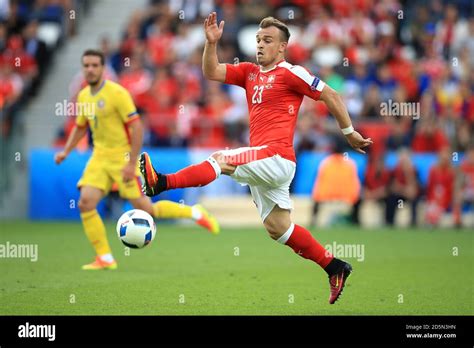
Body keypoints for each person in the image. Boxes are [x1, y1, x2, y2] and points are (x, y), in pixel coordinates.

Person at [140, 13, 373, 304]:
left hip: (277, 155)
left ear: (282, 47)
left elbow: (332, 96)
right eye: (258, 40)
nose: (261, 45)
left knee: (220, 159)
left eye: (268, 40)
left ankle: (161, 182)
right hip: (265, 160)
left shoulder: (292, 72)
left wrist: (349, 133)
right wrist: (211, 43)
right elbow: (212, 72)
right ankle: (335, 267)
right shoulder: (249, 72)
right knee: (278, 228)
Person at [54, 49, 220, 271]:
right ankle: (105, 257)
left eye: (95, 65)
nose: (90, 69)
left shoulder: (117, 94)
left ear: (103, 68)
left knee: (146, 209)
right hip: (98, 158)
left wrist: (131, 162)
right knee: (85, 203)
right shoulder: (84, 96)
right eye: (87, 65)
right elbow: (80, 127)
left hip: (121, 158)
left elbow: (137, 126)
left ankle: (194, 212)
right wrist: (66, 151)